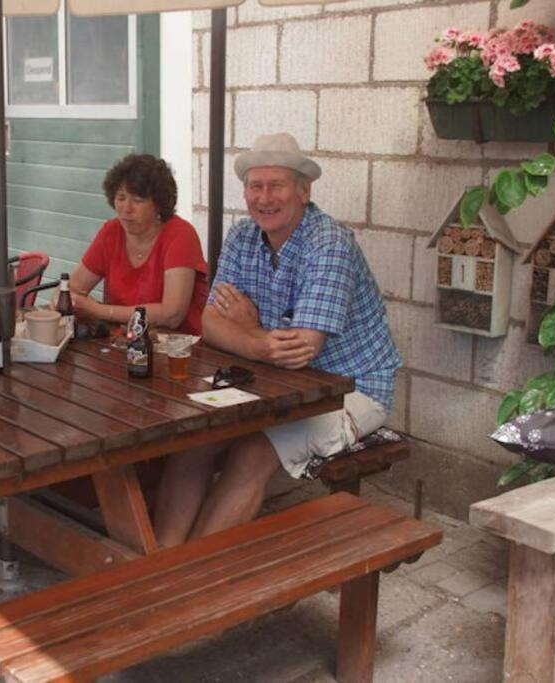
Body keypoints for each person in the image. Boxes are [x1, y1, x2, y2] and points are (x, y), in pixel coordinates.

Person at [153, 133, 402, 547]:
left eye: (277, 185)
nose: (264, 197)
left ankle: (194, 581)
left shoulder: (329, 244)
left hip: (350, 389)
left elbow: (299, 352)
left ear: (304, 191)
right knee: (192, 438)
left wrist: (249, 331)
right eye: (255, 186)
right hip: (272, 383)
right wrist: (260, 342)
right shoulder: (242, 236)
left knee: (252, 450)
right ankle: (157, 565)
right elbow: (211, 324)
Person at [67, 154, 209, 334]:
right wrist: (64, 298)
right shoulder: (111, 232)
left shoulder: (180, 235)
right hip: (123, 344)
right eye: (121, 198)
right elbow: (73, 288)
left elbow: (172, 315)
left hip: (178, 347)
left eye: (138, 200)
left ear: (158, 204)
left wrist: (98, 310)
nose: (126, 209)